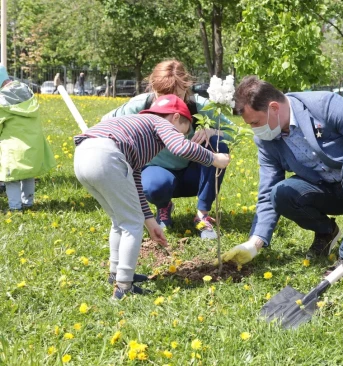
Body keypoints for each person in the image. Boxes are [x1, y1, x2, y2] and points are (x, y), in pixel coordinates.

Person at [220, 76, 343, 269]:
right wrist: (254, 243)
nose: (254, 129)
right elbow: (267, 191)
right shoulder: (266, 140)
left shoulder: (324, 104)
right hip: (326, 191)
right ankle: (327, 232)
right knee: (279, 193)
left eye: (255, 122)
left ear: (274, 108)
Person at [73, 94, 231, 299]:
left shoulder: (139, 128)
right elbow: (180, 147)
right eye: (184, 130)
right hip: (107, 156)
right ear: (176, 117)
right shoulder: (160, 122)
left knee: (119, 220)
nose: (181, 135)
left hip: (83, 157)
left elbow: (135, 178)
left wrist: (150, 221)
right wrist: (213, 159)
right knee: (131, 223)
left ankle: (116, 272)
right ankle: (124, 286)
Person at [102, 59, 233, 239]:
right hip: (157, 173)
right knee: (155, 186)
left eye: (175, 94)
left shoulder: (200, 105)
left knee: (219, 143)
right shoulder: (142, 105)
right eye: (162, 94)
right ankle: (163, 206)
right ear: (153, 88)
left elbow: (233, 132)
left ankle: (203, 215)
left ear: (186, 88)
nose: (169, 100)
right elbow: (106, 122)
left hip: (193, 174)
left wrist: (211, 130)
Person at [0, 64, 55, 211]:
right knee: (28, 175)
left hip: (13, 148)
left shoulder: (2, 102)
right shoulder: (27, 92)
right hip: (33, 145)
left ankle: (15, 208)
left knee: (11, 180)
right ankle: (28, 203)